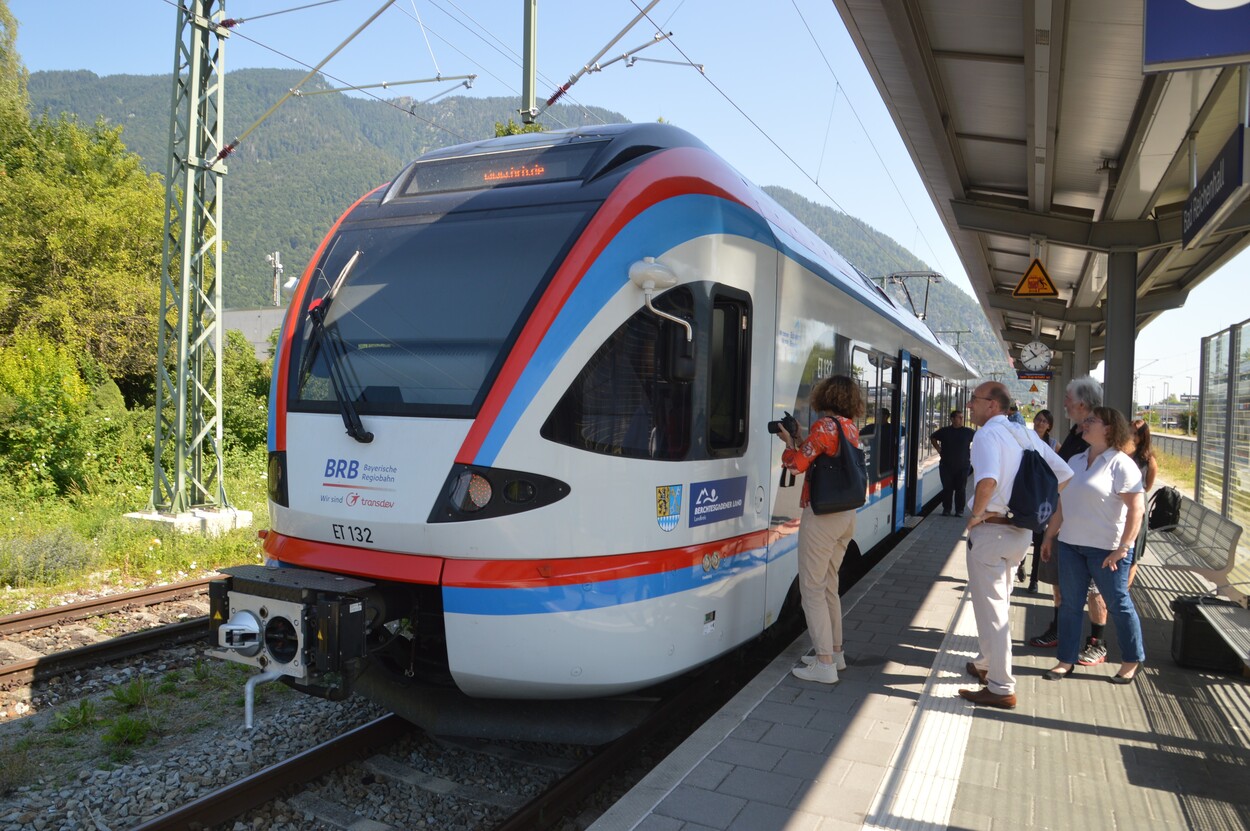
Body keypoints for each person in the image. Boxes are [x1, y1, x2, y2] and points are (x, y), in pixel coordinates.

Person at [960, 381, 1073, 709]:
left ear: (992, 405)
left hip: (992, 531)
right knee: (996, 602)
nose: (970, 406)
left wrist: (976, 516)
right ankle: (985, 663)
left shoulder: (986, 435)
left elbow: (987, 480)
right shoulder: (1025, 435)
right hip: (1021, 533)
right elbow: (1063, 476)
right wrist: (1034, 507)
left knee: (992, 607)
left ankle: (1000, 686)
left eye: (974, 400)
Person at [1040, 407, 1146, 684]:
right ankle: (1065, 660)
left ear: (1109, 429)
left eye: (1091, 421)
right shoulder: (1075, 460)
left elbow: (1137, 508)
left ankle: (1131, 661)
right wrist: (1050, 536)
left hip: (1107, 551)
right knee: (1070, 605)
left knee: (1118, 604)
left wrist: (1124, 547)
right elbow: (1063, 504)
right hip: (1071, 545)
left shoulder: (1121, 464)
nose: (1084, 424)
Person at [776, 375, 866, 684]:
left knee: (811, 589)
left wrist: (789, 444)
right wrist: (802, 439)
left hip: (822, 516)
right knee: (829, 585)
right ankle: (835, 654)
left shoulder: (825, 427)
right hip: (845, 516)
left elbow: (796, 465)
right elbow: (819, 456)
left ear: (824, 396)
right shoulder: (849, 428)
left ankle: (824, 664)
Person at [1028, 376, 1110, 664]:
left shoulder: (1101, 437)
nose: (1062, 402)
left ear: (1082, 404)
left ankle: (1097, 642)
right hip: (1064, 522)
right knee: (1059, 583)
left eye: (1067, 398)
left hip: (1091, 529)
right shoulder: (1077, 434)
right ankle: (1058, 630)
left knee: (1093, 591)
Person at [1016, 409, 1057, 590]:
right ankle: (1020, 563)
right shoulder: (1025, 439)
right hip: (1026, 494)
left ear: (1049, 426)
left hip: (1043, 499)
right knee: (1023, 533)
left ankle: (1034, 580)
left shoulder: (1054, 445)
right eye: (1038, 419)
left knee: (1039, 539)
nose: (1041, 423)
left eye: (1045, 421)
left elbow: (1060, 470)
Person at [930, 410, 975, 517]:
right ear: (952, 419)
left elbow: (979, 440)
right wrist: (939, 449)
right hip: (946, 465)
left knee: (961, 489)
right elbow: (933, 437)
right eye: (959, 417)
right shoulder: (944, 431)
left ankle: (959, 510)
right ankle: (947, 509)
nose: (961, 419)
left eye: (962, 417)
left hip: (963, 466)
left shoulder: (968, 432)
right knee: (947, 488)